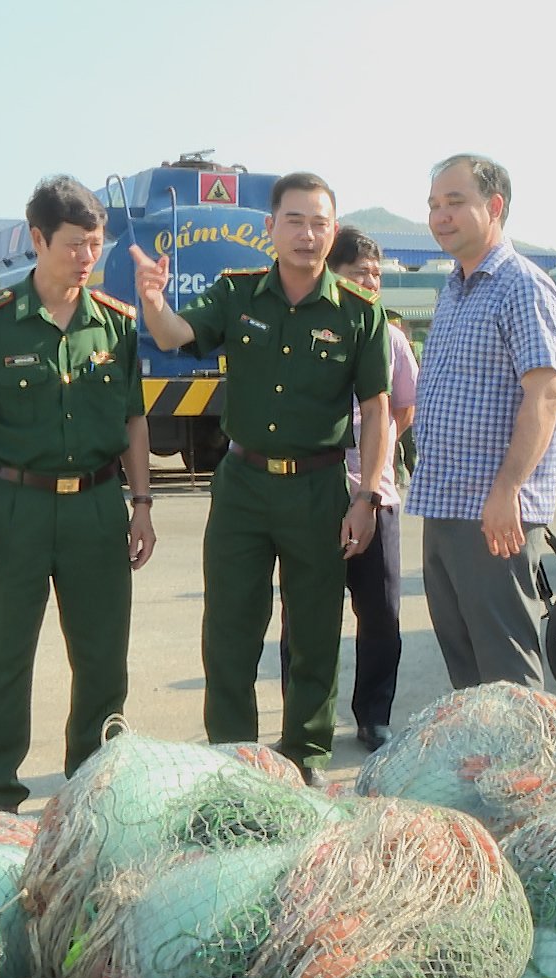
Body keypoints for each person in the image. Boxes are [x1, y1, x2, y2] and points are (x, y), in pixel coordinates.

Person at [132, 172, 394, 786]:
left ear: (333, 232)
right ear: (270, 229)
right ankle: (232, 761)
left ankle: (303, 761)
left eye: (320, 223)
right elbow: (176, 336)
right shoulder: (237, 294)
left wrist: (367, 496)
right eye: (295, 221)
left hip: (320, 490)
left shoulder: (360, 314)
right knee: (229, 629)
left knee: (314, 635)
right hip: (243, 489)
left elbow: (378, 408)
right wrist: (153, 300)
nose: (308, 235)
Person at [0, 175, 156, 812]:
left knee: (103, 654)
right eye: (74, 244)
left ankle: (92, 784)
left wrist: (141, 506)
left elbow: (134, 421)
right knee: (1, 656)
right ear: (37, 239)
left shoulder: (116, 326)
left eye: (95, 243)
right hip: (12, 509)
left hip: (95, 507)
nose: (87, 257)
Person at [407, 154, 556, 691]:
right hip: (445, 503)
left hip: (493, 511)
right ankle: (481, 772)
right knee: (467, 669)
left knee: (506, 670)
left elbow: (545, 394)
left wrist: (508, 490)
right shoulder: (453, 289)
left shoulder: (521, 286)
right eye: (433, 205)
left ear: (494, 207)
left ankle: (525, 775)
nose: (440, 216)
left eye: (455, 203)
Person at [276, 227, 418, 752]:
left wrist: (375, 452)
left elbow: (403, 407)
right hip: (312, 493)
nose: (371, 282)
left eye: (377, 274)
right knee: (306, 613)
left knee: (381, 611)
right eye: (360, 272)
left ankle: (373, 714)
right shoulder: (306, 329)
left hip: (374, 493)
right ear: (332, 274)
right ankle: (304, 717)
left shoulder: (392, 336)